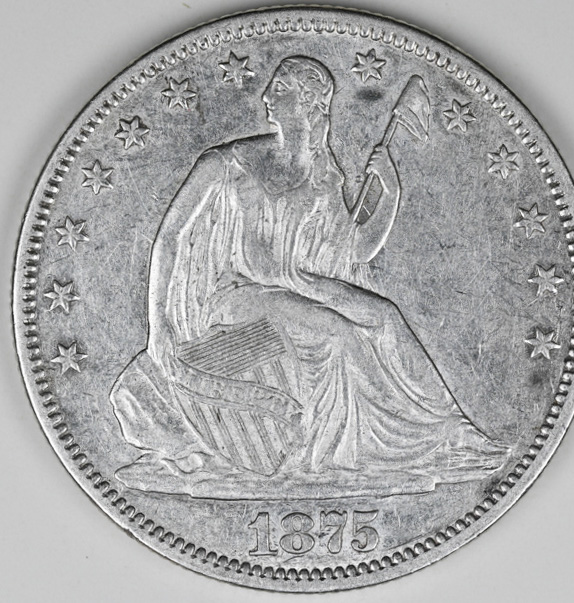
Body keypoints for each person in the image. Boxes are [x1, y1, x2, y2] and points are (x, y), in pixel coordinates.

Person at [110, 56, 508, 496]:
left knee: (385, 316)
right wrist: (159, 325)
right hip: (238, 294)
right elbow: (170, 237)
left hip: (298, 281)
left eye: (280, 89)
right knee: (339, 332)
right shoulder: (226, 163)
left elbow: (354, 250)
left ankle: (449, 430)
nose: (267, 97)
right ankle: (354, 452)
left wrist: (389, 193)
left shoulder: (322, 170)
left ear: (311, 104)